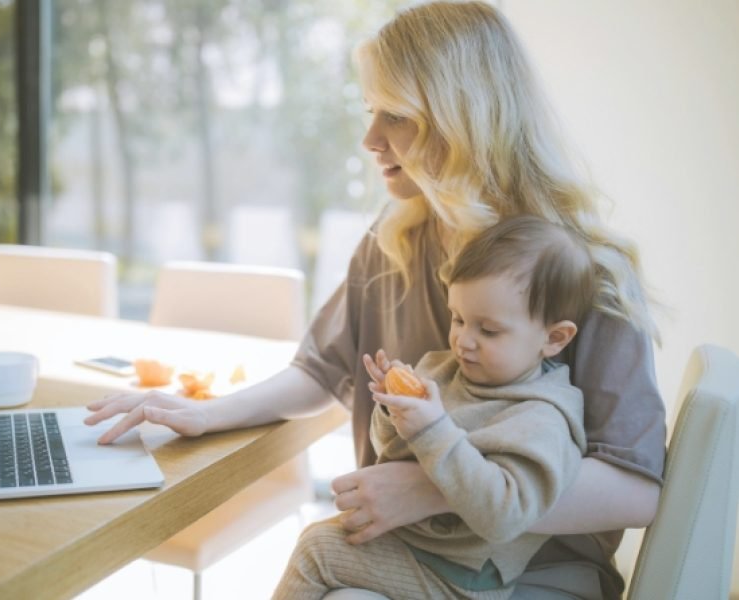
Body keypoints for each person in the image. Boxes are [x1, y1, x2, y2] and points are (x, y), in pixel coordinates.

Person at [84, 2, 666, 598]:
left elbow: (637, 488)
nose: (370, 139)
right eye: (370, 112)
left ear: (464, 119)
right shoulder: (394, 239)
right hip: (412, 549)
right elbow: (321, 370)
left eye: (397, 116)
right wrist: (207, 413)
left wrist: (434, 487)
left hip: (536, 573)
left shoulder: (582, 270)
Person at [272, 215, 594, 599]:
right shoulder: (445, 369)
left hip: (463, 577)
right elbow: (392, 455)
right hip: (416, 548)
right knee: (320, 536)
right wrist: (394, 412)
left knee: (317, 552)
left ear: (554, 338)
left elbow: (504, 517)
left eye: (488, 330)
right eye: (458, 318)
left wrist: (433, 428)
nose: (464, 341)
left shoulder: (542, 417)